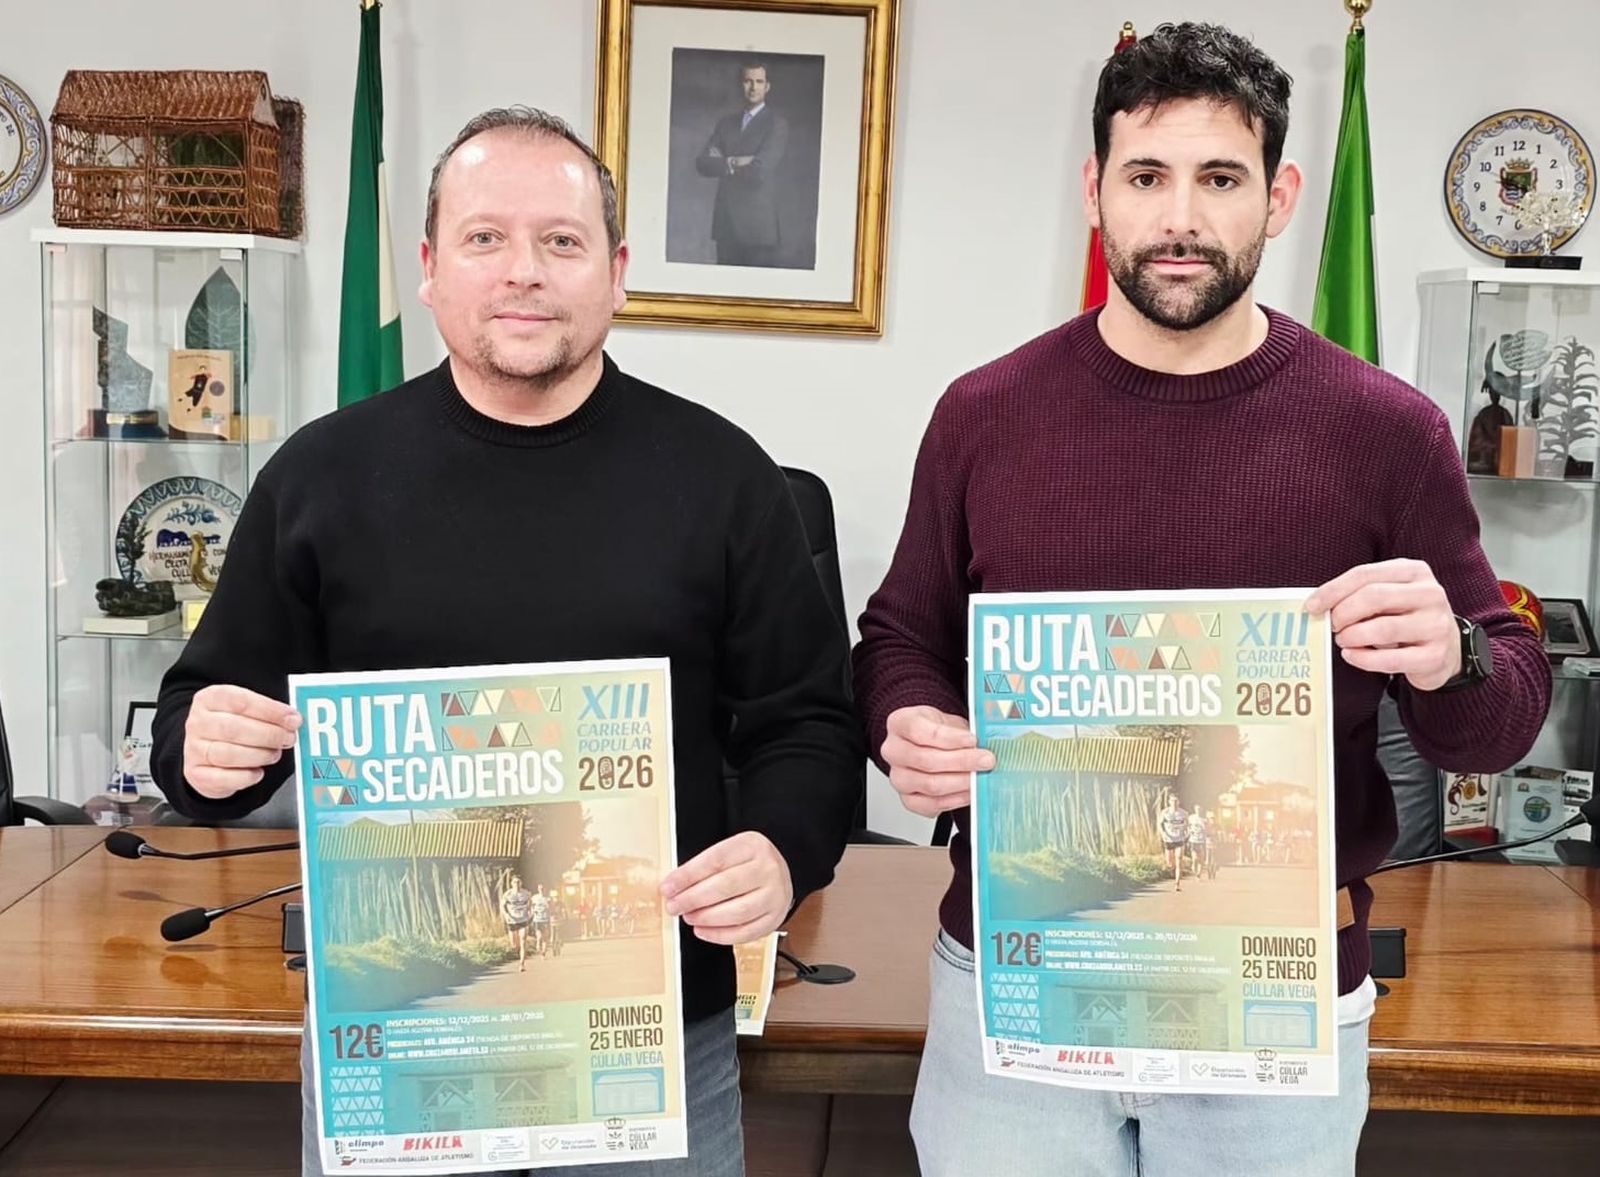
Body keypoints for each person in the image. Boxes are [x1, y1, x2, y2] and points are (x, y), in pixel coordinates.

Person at [851, 23, 1549, 1177]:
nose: (1179, 217)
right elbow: (898, 638)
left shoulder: (1385, 431)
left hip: (1272, 996)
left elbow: (1503, 714)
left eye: (1218, 178)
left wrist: (1450, 656)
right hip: (1019, 986)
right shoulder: (985, 413)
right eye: (1146, 176)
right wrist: (905, 723)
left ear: (1277, 198)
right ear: (1094, 191)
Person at [149, 105, 863, 1177]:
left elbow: (806, 726)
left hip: (649, 1028)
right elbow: (198, 725)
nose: (522, 271)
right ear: (431, 269)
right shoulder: (319, 477)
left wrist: (780, 849)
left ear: (616, 272)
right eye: (485, 238)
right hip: (401, 1031)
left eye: (561, 242)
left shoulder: (725, 480)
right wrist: (203, 752)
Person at [694, 61, 788, 266]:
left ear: (767, 86)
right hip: (726, 225)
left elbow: (759, 171)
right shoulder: (726, 123)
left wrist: (725, 162)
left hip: (758, 230)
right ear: (741, 85)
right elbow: (703, 163)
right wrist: (736, 161)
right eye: (747, 81)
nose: (753, 87)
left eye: (759, 81)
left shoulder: (776, 124)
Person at [502, 874, 534, 971]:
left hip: (523, 919)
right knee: (514, 945)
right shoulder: (507, 894)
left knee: (523, 941)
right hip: (512, 920)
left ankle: (522, 964)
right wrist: (506, 914)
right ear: (511, 883)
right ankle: (518, 950)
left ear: (521, 883)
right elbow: (502, 906)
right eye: (515, 882)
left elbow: (530, 905)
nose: (517, 884)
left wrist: (531, 913)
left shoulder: (526, 894)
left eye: (518, 882)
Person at [1158, 795, 1189, 890]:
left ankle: (1177, 884)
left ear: (1178, 802)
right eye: (1172, 801)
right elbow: (1160, 824)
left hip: (1179, 839)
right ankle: (1172, 869)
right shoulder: (1165, 812)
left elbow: (1187, 825)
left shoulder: (1183, 813)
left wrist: (1187, 833)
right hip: (1168, 839)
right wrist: (1163, 833)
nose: (1174, 803)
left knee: (1179, 859)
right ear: (1169, 802)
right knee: (1170, 863)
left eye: (1176, 801)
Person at [528, 883, 552, 957]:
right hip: (537, 919)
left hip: (546, 919)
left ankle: (543, 952)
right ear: (538, 889)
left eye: (542, 888)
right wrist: (531, 912)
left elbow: (552, 908)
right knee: (539, 936)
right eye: (540, 889)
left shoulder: (548, 898)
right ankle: (538, 943)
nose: (541, 890)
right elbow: (530, 906)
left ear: (545, 889)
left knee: (545, 937)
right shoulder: (534, 898)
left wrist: (549, 907)